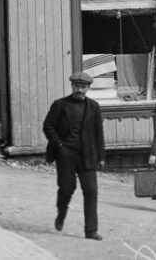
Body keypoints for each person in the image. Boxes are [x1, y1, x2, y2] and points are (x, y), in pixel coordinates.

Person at [43, 71, 105, 241]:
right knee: (66, 188)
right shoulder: (60, 105)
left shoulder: (94, 107)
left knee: (91, 190)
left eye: (83, 87)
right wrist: (60, 146)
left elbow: (99, 133)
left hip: (87, 154)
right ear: (72, 86)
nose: (79, 89)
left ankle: (91, 230)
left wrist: (101, 157)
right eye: (77, 86)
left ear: (88, 89)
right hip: (66, 154)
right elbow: (48, 126)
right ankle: (61, 213)